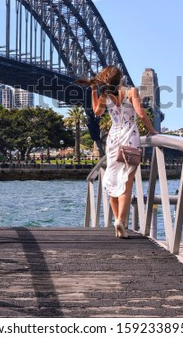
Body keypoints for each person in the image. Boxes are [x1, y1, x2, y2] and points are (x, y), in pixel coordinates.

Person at [76, 65, 158, 238]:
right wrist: (153, 131)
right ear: (120, 78)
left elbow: (97, 112)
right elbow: (141, 115)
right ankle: (121, 220)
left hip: (113, 140)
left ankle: (116, 221)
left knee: (112, 180)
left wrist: (93, 91)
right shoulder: (131, 92)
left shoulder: (106, 95)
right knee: (127, 183)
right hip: (131, 138)